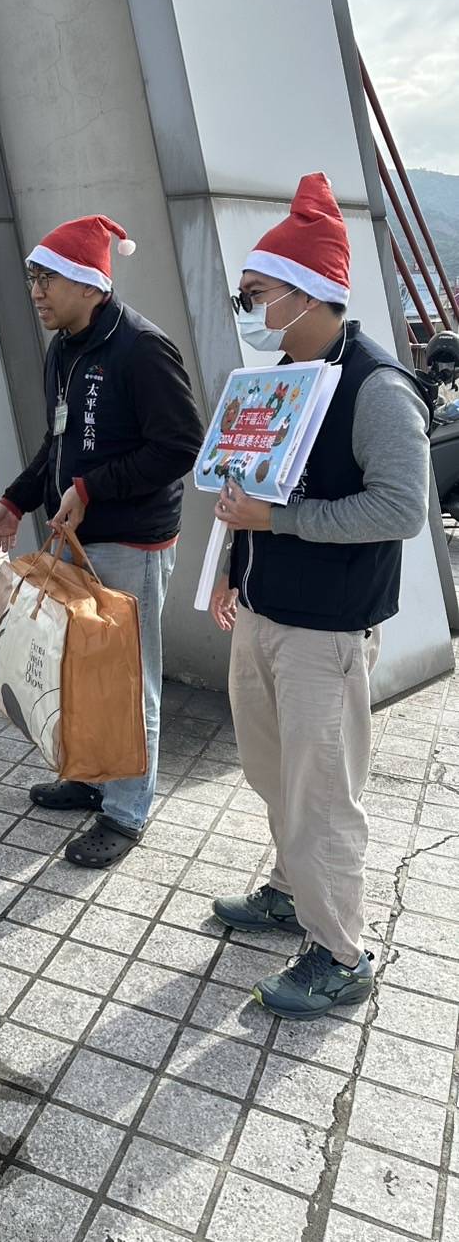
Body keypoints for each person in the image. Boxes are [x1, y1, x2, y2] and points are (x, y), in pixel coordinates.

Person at [211, 172, 430, 1020]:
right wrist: (237, 556)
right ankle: (287, 888)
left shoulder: (373, 385)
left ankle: (342, 950)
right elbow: (250, 486)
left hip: (326, 631)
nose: (250, 308)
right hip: (264, 613)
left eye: (257, 294)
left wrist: (283, 519)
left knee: (324, 791)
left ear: (308, 294)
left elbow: (401, 508)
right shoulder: (282, 375)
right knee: (276, 774)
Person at [0, 215, 204, 867]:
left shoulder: (141, 347)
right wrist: (15, 499)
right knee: (77, 672)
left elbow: (179, 446)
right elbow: (57, 442)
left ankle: (127, 810)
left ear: (88, 282)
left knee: (129, 682)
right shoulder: (64, 350)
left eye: (46, 277)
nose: (36, 291)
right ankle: (86, 775)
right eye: (33, 277)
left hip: (130, 544)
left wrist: (92, 487)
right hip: (77, 540)